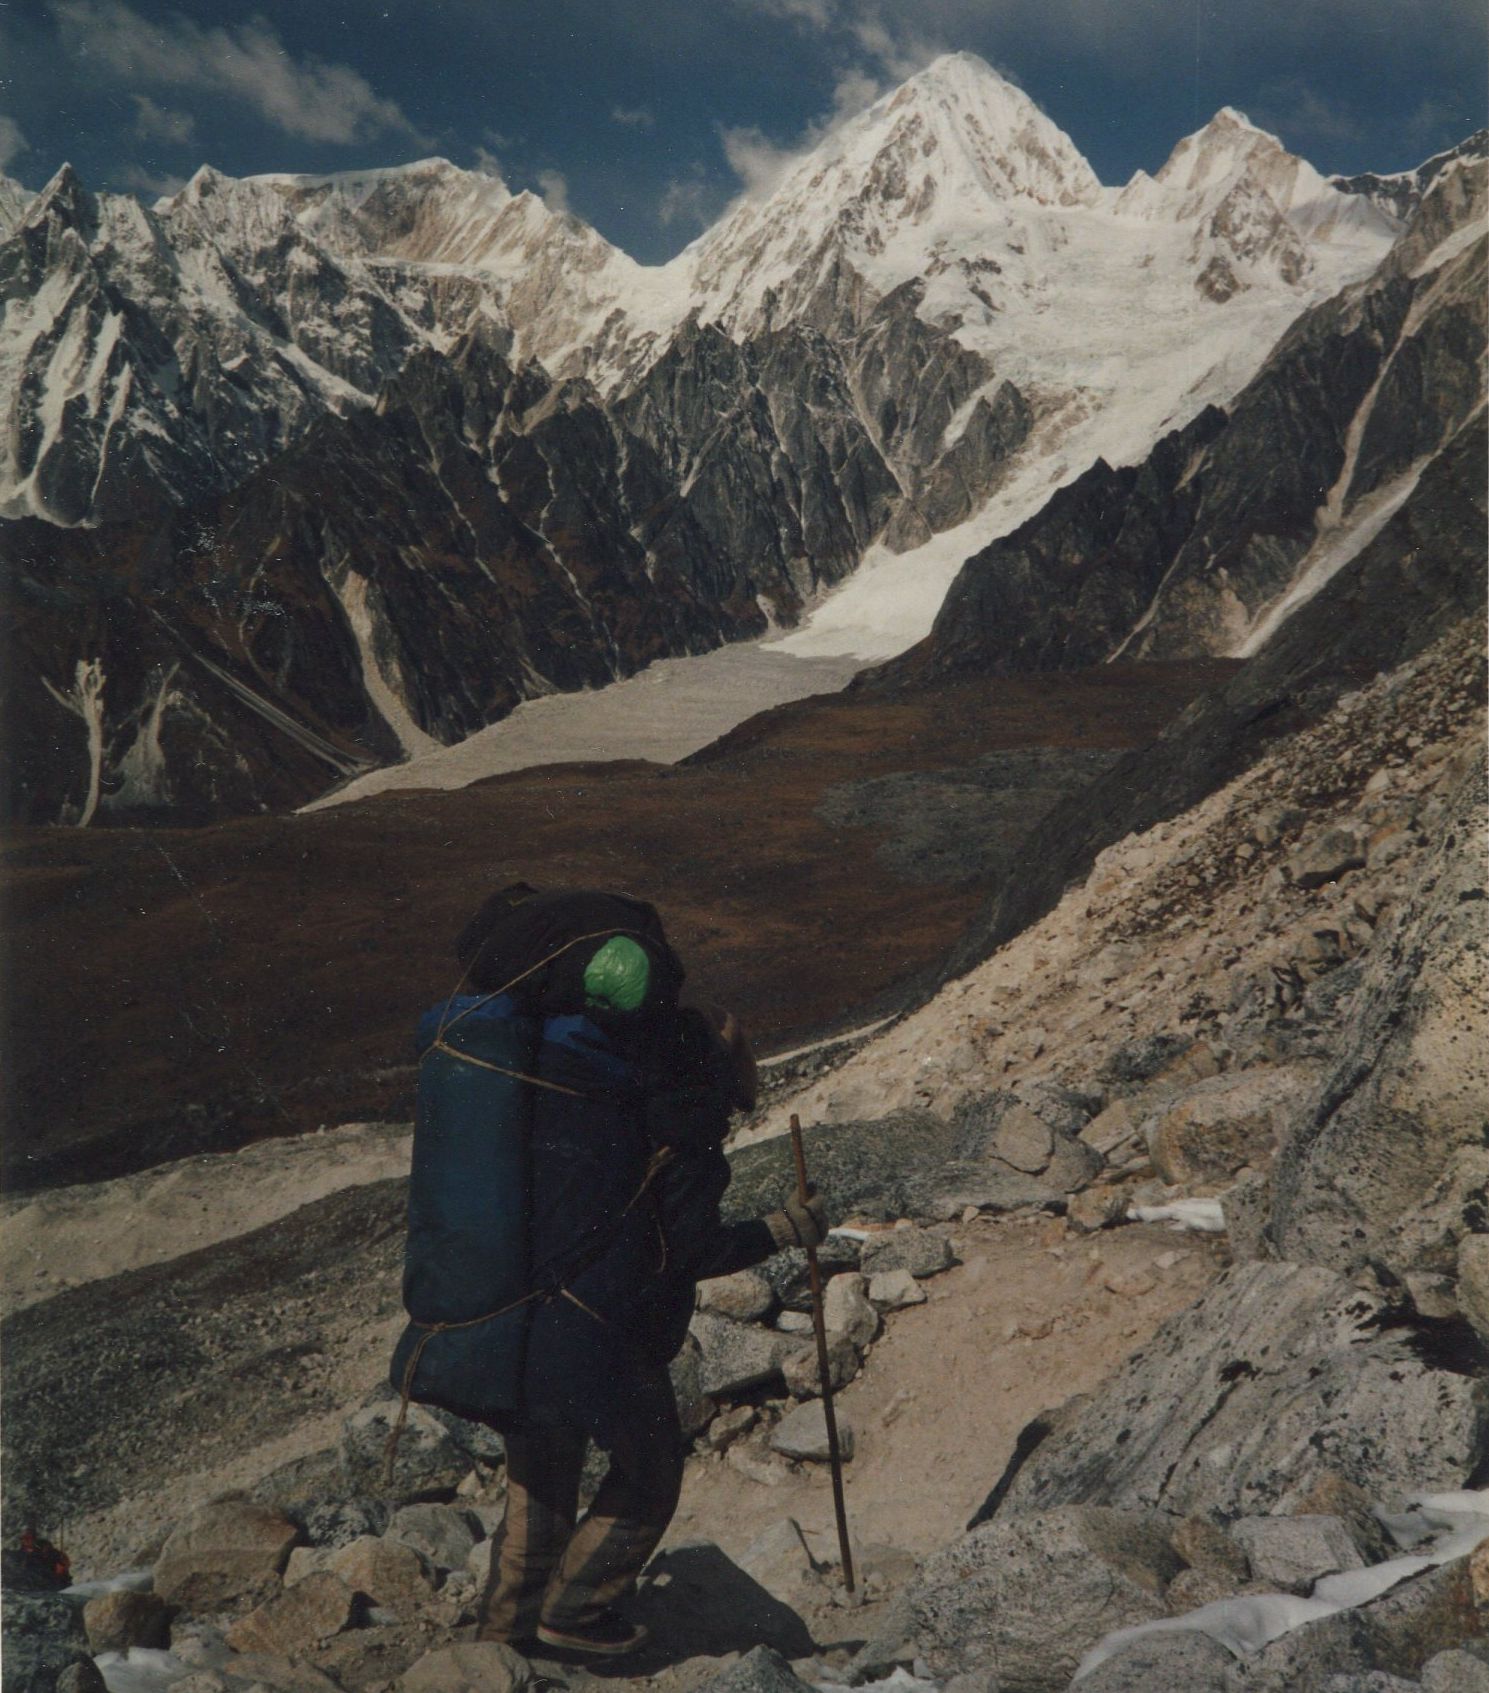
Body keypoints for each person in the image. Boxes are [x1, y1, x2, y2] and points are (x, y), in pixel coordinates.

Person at [389, 885, 829, 1658]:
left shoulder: (592, 1107)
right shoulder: (682, 1143)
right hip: (602, 1332)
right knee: (651, 1466)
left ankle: (503, 1643)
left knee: (542, 1476)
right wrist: (782, 1229)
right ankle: (579, 1609)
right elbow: (692, 1251)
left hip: (519, 1316)